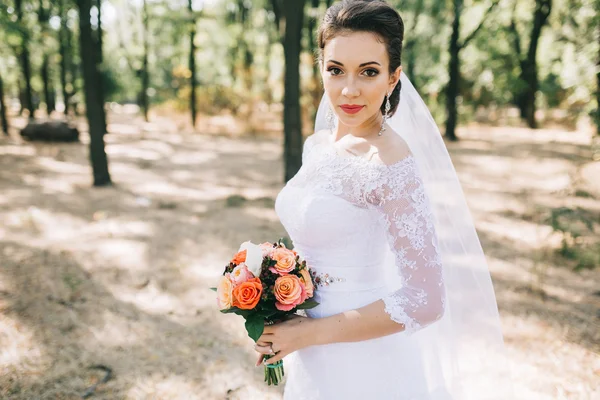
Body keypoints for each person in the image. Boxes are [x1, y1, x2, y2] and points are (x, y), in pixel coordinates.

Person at [257, 1, 513, 398]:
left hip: (365, 360)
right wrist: (274, 301)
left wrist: (308, 333)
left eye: (369, 72)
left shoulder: (391, 163)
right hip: (308, 355)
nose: (349, 89)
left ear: (394, 78)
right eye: (336, 69)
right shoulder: (319, 144)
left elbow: (426, 300)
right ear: (321, 67)